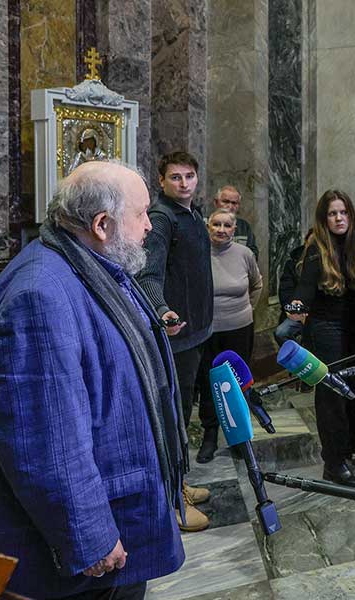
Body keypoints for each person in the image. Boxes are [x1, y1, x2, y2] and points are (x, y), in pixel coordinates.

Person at [0, 161, 186, 599]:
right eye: (141, 214)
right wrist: (90, 535)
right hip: (67, 561)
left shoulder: (91, 264)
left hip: (114, 513)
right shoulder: (39, 295)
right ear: (102, 225)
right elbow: (44, 441)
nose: (150, 225)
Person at [137, 150, 213, 532]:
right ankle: (174, 498)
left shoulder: (192, 214)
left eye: (189, 176)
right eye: (175, 177)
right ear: (161, 181)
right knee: (175, 418)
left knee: (185, 414)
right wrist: (162, 309)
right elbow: (147, 274)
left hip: (197, 334)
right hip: (176, 338)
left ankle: (181, 482)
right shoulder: (162, 218)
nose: (183, 183)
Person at [292, 190, 355, 487]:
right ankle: (334, 462)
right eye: (332, 214)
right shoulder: (316, 250)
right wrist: (296, 308)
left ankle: (353, 441)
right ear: (324, 219)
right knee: (333, 396)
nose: (339, 218)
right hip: (326, 328)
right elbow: (304, 291)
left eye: (343, 213)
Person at [194, 209, 263, 463]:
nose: (221, 229)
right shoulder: (199, 254)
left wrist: (247, 309)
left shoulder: (245, 254)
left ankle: (238, 437)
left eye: (226, 225)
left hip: (239, 328)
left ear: (234, 229)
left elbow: (257, 284)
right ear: (208, 227)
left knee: (238, 382)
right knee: (209, 381)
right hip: (208, 330)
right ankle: (210, 435)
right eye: (216, 224)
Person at [274, 230, 313, 347]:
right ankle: (299, 355)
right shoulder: (293, 263)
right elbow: (285, 291)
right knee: (281, 332)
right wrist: (296, 310)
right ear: (306, 242)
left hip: (319, 314)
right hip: (298, 311)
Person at [212, 185, 259, 258]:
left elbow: (253, 254)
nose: (230, 206)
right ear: (216, 202)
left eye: (234, 203)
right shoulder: (204, 224)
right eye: (226, 201)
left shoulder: (244, 226)